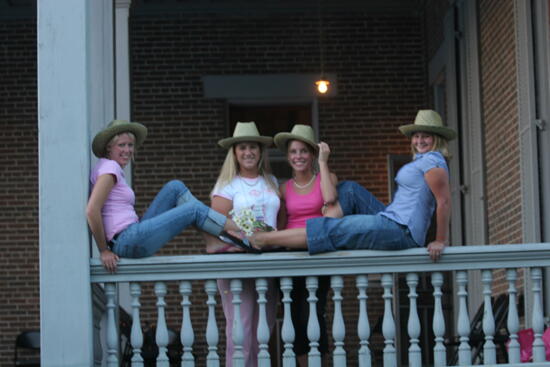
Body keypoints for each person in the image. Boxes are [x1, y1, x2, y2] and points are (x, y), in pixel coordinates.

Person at [249, 110, 455, 262]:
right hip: (391, 219)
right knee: (349, 188)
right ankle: (324, 226)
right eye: (417, 135)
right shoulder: (423, 160)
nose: (420, 140)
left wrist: (440, 240)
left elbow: (443, 201)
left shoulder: (432, 162)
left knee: (334, 226)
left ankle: (264, 239)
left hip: (402, 231)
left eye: (426, 136)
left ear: (436, 139)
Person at [86, 119, 241, 273]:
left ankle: (212, 241)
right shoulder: (110, 168)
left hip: (131, 235)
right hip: (126, 240)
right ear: (109, 147)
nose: (127, 150)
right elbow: (92, 210)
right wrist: (103, 250)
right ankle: (243, 231)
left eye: (130, 145)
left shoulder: (107, 167)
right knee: (193, 209)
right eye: (121, 145)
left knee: (175, 187)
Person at [204, 121, 281, 367]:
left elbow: (278, 221)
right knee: (241, 331)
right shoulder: (227, 185)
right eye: (242, 148)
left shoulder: (271, 181)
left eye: (253, 147)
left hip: (267, 261)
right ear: (234, 153)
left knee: (264, 332)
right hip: (238, 261)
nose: (248, 152)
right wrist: (246, 232)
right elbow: (214, 224)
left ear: (260, 151)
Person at [273, 124, 338, 366]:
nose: (298, 156)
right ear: (288, 157)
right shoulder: (283, 188)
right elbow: (280, 225)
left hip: (317, 252)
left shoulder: (327, 178)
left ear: (312, 154)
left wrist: (323, 162)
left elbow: (330, 199)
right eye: (293, 152)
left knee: (314, 312)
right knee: (293, 315)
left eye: (303, 151)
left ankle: (320, 361)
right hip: (290, 254)